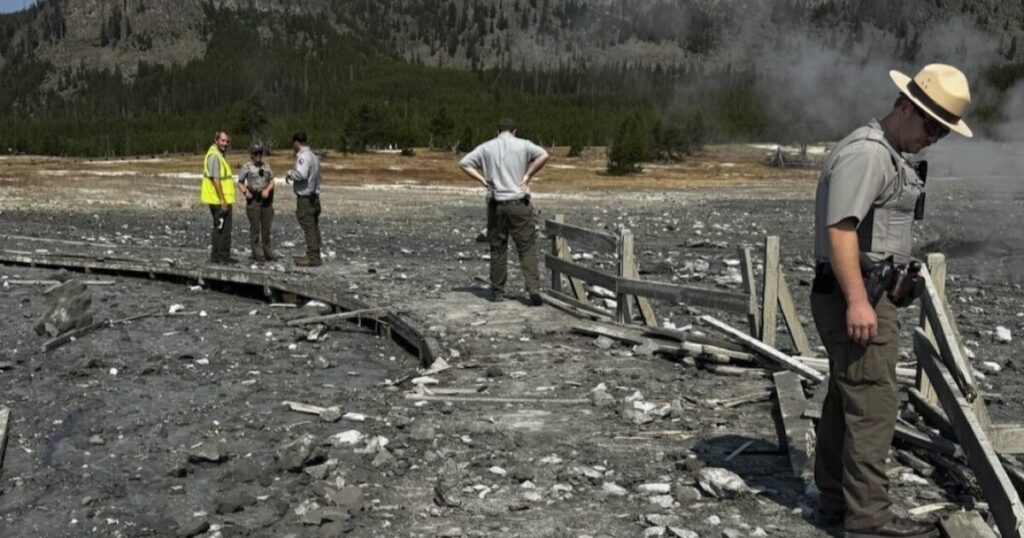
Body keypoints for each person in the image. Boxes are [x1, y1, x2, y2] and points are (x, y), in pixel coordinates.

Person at [811, 64, 973, 538]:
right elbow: (841, 230)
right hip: (858, 293)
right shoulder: (869, 154)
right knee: (874, 405)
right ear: (905, 107)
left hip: (863, 290)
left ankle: (835, 504)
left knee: (847, 399)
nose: (935, 137)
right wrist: (859, 301)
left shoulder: (886, 153)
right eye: (931, 126)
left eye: (943, 131)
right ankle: (868, 522)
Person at [459, 118, 549, 305]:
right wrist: (527, 176)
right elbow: (544, 155)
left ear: (498, 131)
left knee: (498, 248)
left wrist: (483, 180)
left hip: (496, 203)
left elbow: (464, 163)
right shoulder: (524, 145)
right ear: (514, 131)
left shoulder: (486, 147)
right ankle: (533, 288)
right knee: (526, 248)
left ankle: (498, 292)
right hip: (518, 202)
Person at [286, 132, 322, 267]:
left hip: (306, 197)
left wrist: (290, 174)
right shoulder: (313, 156)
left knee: (309, 227)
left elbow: (301, 174)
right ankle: (315, 252)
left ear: (296, 142)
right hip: (314, 196)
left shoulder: (303, 157)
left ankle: (313, 257)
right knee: (314, 225)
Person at [200, 131, 237, 264]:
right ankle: (222, 257)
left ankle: (216, 256)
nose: (225, 144)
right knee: (224, 229)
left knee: (219, 227)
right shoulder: (215, 156)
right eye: (222, 141)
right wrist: (222, 200)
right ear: (216, 140)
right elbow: (216, 180)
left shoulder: (217, 155)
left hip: (217, 199)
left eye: (227, 141)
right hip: (218, 200)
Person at [237, 144, 276, 262]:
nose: (258, 156)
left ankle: (268, 252)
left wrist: (268, 190)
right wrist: (245, 192)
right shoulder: (246, 167)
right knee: (255, 228)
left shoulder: (266, 166)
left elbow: (272, 181)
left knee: (266, 227)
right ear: (251, 155)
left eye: (260, 153)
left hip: (266, 199)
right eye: (255, 154)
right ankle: (256, 253)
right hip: (254, 198)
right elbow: (240, 182)